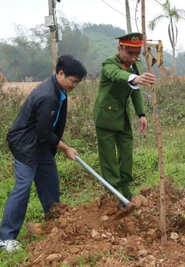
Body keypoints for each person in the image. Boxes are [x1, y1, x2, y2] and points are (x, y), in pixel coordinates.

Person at [0, 54, 87, 253]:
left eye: (77, 83)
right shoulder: (48, 95)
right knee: (23, 185)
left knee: (49, 180)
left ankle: (55, 222)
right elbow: (43, 132)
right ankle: (5, 237)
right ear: (61, 73)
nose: (74, 86)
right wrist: (66, 149)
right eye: (73, 81)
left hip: (41, 142)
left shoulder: (59, 89)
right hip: (25, 144)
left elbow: (46, 132)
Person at [93, 33, 156, 204]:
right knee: (109, 158)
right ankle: (115, 192)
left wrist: (141, 114)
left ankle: (126, 188)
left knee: (126, 155)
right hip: (106, 116)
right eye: (130, 54)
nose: (133, 58)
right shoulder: (109, 64)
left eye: (137, 54)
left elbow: (135, 92)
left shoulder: (135, 65)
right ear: (119, 48)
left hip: (123, 117)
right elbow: (116, 75)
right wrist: (135, 78)